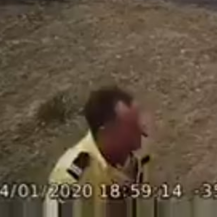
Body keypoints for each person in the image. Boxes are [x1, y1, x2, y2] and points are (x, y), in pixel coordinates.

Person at [46, 86, 151, 216]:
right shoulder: (71, 177)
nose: (143, 131)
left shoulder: (135, 159)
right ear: (107, 133)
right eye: (132, 127)